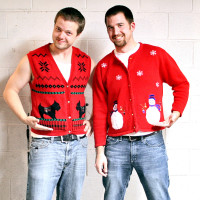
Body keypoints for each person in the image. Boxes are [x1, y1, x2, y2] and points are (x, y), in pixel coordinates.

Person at [93, 5, 189, 200]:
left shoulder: (156, 55)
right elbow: (100, 111)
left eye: (120, 25)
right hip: (115, 146)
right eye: (110, 27)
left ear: (132, 26)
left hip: (151, 143)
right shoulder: (103, 66)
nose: (115, 32)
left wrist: (176, 112)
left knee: (159, 197)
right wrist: (100, 152)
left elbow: (181, 84)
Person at [3, 7, 94, 200]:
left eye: (68, 32)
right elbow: (10, 90)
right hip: (45, 144)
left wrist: (92, 119)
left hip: (78, 145)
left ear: (77, 35)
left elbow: (103, 93)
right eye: (58, 29)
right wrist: (24, 118)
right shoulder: (33, 59)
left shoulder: (86, 62)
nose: (61, 36)